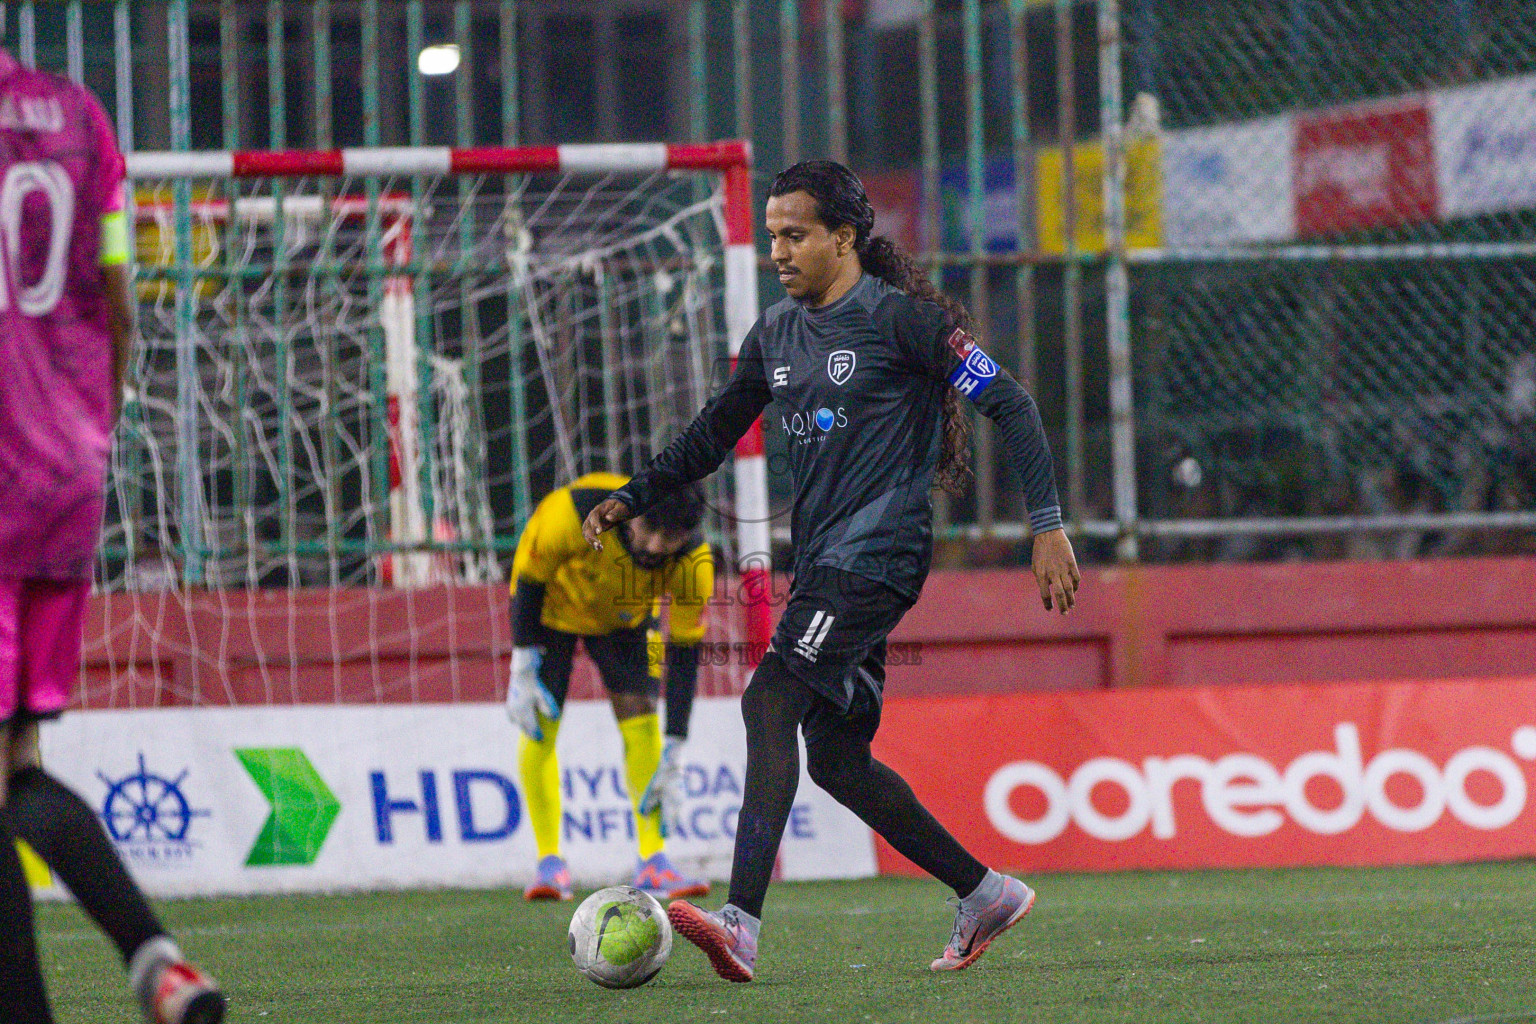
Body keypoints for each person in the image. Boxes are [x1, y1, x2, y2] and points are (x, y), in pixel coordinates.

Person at [581, 160, 1080, 982]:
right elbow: (712, 434)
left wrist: (1047, 528)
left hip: (878, 555)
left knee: (768, 696)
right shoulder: (774, 335)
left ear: (843, 238)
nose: (777, 250)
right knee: (836, 758)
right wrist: (631, 496)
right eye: (772, 234)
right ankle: (984, 891)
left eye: (795, 234)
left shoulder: (905, 324)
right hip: (824, 564)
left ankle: (740, 921)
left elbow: (1012, 404)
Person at [0, 25, 227, 1024]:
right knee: (16, 762)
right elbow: (117, 298)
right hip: (63, 469)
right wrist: (92, 429)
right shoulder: (83, 121)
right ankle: (158, 964)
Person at [506, 471, 714, 902]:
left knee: (642, 718)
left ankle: (654, 861)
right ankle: (549, 864)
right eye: (650, 528)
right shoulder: (571, 513)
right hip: (551, 612)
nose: (656, 546)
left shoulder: (696, 564)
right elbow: (527, 581)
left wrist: (675, 746)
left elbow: (685, 655)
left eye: (671, 537)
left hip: (630, 620)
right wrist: (522, 661)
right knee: (541, 722)